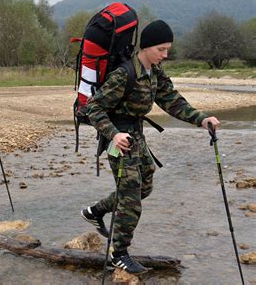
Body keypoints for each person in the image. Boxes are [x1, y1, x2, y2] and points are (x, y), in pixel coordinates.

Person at [80, 20, 220, 274]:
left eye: (167, 50)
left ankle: (95, 211)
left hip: (137, 137)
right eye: (161, 49)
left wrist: (202, 119)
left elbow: (172, 100)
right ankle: (118, 255)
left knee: (144, 185)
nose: (165, 55)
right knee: (132, 198)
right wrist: (113, 135)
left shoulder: (155, 71)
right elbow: (94, 108)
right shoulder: (124, 73)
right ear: (146, 47)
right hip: (119, 141)